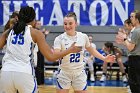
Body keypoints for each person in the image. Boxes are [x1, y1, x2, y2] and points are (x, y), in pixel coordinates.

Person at [0, 6, 82, 93]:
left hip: (6, 73)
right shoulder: (36, 33)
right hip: (24, 73)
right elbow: (51, 57)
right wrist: (70, 50)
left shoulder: (8, 32)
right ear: (33, 19)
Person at [53, 12, 115, 93]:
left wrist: (104, 58)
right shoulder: (59, 39)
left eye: (70, 23)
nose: (67, 26)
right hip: (64, 72)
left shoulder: (83, 36)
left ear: (76, 24)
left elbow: (92, 50)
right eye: (65, 24)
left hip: (79, 72)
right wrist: (69, 50)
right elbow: (55, 56)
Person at [116, 11, 140, 93]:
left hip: (135, 59)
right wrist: (123, 41)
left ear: (137, 19)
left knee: (134, 83)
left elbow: (130, 48)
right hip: (137, 58)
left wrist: (124, 38)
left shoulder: (136, 31)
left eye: (132, 17)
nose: (130, 18)